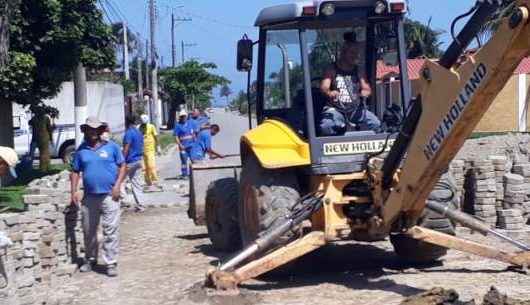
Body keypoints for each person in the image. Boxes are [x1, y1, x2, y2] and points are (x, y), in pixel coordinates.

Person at [70, 116, 126, 277]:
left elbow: (123, 166)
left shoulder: (112, 148)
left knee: (110, 230)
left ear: (101, 131)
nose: (93, 132)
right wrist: (73, 191)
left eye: (96, 129)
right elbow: (75, 171)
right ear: (85, 131)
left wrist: (117, 186)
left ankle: (110, 262)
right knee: (89, 230)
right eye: (90, 129)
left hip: (110, 195)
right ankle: (90, 258)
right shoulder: (81, 151)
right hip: (89, 197)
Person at [319, 32, 381, 136]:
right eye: (352, 53)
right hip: (336, 109)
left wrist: (364, 92)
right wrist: (330, 92)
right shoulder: (332, 69)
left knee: (375, 123)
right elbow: (324, 87)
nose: (355, 56)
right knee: (326, 126)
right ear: (344, 52)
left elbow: (366, 88)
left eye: (356, 53)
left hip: (355, 110)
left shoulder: (358, 71)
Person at [122, 116, 145, 212]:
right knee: (136, 183)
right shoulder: (139, 132)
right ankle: (141, 204)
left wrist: (121, 160)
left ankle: (124, 201)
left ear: (126, 122)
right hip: (138, 160)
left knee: (118, 180)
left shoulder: (128, 133)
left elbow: (126, 148)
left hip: (130, 161)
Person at [139, 114, 162, 191]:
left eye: (145, 124)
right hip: (142, 150)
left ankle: (155, 181)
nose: (144, 126)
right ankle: (148, 182)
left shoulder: (151, 126)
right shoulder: (138, 127)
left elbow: (156, 137)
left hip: (150, 149)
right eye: (143, 124)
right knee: (144, 168)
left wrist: (158, 147)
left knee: (151, 166)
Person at [173, 110, 196, 178]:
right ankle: (184, 174)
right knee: (184, 161)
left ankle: (194, 173)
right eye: (182, 116)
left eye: (184, 116)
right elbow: (176, 136)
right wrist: (180, 145)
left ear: (186, 116)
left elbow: (194, 133)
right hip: (183, 147)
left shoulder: (190, 124)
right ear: (180, 117)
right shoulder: (178, 125)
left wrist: (195, 141)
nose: (183, 118)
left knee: (193, 159)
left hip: (191, 145)